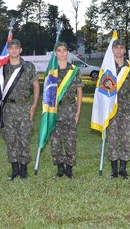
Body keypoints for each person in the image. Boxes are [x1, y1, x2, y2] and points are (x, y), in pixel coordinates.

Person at [0, 39, 40, 180]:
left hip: (24, 108)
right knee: (11, 139)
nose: (14, 50)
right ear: (8, 50)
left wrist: (34, 105)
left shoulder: (28, 67)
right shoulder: (2, 68)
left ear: (21, 50)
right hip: (8, 109)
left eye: (17, 48)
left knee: (24, 139)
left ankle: (24, 170)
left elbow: (36, 86)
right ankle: (14, 169)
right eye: (11, 48)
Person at [107, 39, 130, 179]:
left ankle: (123, 169)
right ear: (112, 50)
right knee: (112, 138)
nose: (119, 50)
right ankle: (114, 169)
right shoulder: (107, 67)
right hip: (111, 108)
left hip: (126, 107)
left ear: (125, 50)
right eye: (116, 47)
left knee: (126, 138)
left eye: (121, 47)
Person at [51, 42, 83, 179]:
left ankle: (69, 169)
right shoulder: (51, 71)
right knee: (56, 142)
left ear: (68, 52)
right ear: (55, 53)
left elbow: (79, 91)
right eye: (59, 50)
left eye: (64, 50)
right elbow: (47, 93)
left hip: (70, 108)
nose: (62, 53)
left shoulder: (74, 70)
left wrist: (78, 111)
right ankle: (60, 169)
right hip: (54, 110)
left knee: (70, 141)